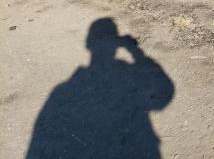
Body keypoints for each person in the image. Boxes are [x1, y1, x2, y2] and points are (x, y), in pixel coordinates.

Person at [26, 18, 174, 159]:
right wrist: (135, 51)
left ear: (88, 45)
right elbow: (164, 94)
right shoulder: (63, 90)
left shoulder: (61, 90)